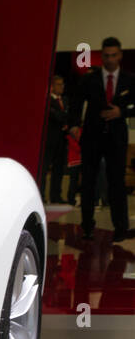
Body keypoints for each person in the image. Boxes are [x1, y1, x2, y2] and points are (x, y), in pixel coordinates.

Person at [70, 36, 135, 242]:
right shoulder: (90, 79)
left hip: (116, 138)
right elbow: (76, 102)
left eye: (114, 55)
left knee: (117, 183)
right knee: (88, 182)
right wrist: (72, 126)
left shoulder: (129, 80)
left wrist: (121, 112)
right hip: (91, 137)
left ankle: (121, 227)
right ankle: (87, 226)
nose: (110, 59)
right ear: (102, 56)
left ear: (120, 55)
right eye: (106, 56)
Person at [41, 75, 69, 204]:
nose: (62, 87)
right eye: (59, 84)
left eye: (63, 84)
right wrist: (64, 117)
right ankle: (40, 195)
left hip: (62, 141)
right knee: (44, 169)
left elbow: (70, 116)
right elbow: (56, 116)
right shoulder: (47, 101)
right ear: (52, 86)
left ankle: (55, 195)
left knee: (59, 170)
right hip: (49, 140)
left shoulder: (65, 100)